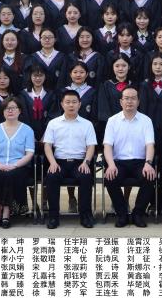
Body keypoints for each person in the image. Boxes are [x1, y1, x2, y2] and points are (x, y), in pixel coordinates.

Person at [102, 87, 157, 228]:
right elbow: (107, 146)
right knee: (110, 177)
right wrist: (111, 165)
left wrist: (148, 163)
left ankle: (138, 213)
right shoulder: (112, 121)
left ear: (138, 101)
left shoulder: (146, 120)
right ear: (121, 101)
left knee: (149, 177)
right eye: (126, 98)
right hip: (119, 162)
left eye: (133, 98)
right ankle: (122, 214)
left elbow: (150, 145)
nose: (129, 101)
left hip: (140, 162)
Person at [43, 90, 98, 229]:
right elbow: (47, 145)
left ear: (80, 104)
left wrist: (86, 162)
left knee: (86, 177)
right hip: (59, 162)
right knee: (51, 177)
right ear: (62, 104)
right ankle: (53, 217)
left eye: (74, 102)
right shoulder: (53, 123)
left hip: (79, 162)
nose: (71, 105)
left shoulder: (87, 124)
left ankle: (85, 216)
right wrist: (52, 163)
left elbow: (91, 146)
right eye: (67, 102)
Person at [0, 98, 35, 228]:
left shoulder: (27, 130)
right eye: (7, 108)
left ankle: (6, 214)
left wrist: (14, 165)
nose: (10, 111)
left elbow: (29, 153)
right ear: (3, 112)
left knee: (10, 176)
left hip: (19, 166)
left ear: (19, 111)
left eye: (13, 108)